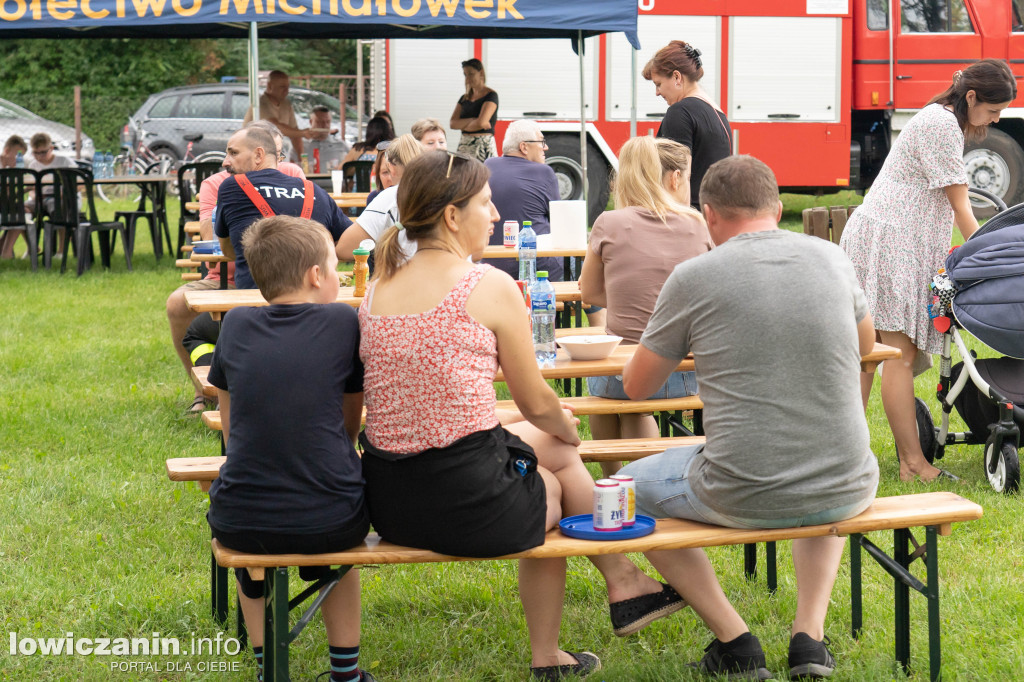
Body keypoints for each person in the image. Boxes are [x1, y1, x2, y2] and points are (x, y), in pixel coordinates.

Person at [357, 150, 684, 680]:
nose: (496, 215)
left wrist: (553, 429)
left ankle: (623, 587)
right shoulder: (486, 285)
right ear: (451, 216)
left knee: (553, 451)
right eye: (485, 203)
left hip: (392, 499)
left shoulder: (378, 286)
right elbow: (534, 401)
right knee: (555, 475)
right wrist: (564, 424)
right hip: (467, 507)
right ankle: (577, 626)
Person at [618, 155, 879, 680]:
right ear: (778, 208)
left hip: (740, 487)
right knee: (815, 460)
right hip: (848, 479)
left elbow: (636, 387)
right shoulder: (832, 258)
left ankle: (735, 641)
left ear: (708, 215)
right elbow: (866, 343)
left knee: (618, 488)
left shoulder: (694, 275)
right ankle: (809, 639)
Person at [206, 215, 375, 682]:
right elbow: (349, 420)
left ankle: (267, 669)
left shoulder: (236, 324)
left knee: (249, 561)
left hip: (242, 518)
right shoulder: (344, 321)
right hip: (334, 519)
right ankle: (346, 673)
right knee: (338, 563)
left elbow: (229, 422)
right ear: (316, 276)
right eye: (334, 271)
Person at [841, 59, 1016, 483]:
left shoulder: (942, 121)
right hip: (891, 241)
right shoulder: (941, 126)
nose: (996, 119)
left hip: (889, 237)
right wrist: (993, 259)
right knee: (896, 358)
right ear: (971, 97)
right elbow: (962, 209)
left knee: (870, 358)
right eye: (993, 110)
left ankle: (843, 458)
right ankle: (912, 464)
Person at [579, 137, 713, 476]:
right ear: (672, 178)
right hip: (685, 369)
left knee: (611, 402)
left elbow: (589, 294)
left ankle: (613, 481)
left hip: (622, 365)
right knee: (632, 403)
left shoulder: (608, 222)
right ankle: (641, 484)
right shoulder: (697, 224)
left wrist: (626, 297)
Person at [180, 125, 352, 370]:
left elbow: (226, 251)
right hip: (316, 310)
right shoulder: (316, 192)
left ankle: (214, 390)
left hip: (256, 307)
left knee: (195, 334)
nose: (225, 162)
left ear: (259, 155)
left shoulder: (231, 187)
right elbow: (350, 244)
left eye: (233, 153)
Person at [165, 121, 306, 414]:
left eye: (278, 156)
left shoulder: (292, 174)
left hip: (283, 276)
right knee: (177, 304)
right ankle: (202, 389)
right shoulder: (217, 183)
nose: (275, 163)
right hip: (225, 277)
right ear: (256, 153)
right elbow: (209, 238)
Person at [643, 40, 731, 209]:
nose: (657, 92)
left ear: (677, 77)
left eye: (658, 84)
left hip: (690, 219)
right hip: (715, 217)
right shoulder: (717, 112)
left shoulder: (680, 112)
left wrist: (679, 224)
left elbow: (677, 179)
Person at [482, 120, 563, 280]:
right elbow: (558, 223)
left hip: (490, 267)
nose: (545, 147)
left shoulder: (488, 165)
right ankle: (601, 306)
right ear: (524, 147)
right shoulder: (544, 172)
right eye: (541, 142)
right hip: (535, 268)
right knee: (583, 267)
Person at [335, 134, 423, 262]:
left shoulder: (390, 197)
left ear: (391, 167)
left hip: (399, 278)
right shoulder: (443, 193)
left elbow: (344, 250)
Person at [242, 70, 311, 159]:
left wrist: (302, 159)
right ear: (269, 86)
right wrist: (303, 133)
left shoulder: (286, 104)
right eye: (282, 87)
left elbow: (295, 135)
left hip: (276, 154)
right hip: (254, 154)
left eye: (287, 87)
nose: (287, 91)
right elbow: (274, 126)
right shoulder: (261, 103)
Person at [450, 58, 498, 161]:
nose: (468, 78)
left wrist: (463, 125)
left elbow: (481, 122)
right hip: (465, 146)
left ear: (480, 73)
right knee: (463, 176)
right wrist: (473, 120)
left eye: (471, 74)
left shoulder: (491, 95)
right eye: (465, 75)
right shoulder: (464, 98)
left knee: (485, 176)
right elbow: (452, 123)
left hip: (483, 146)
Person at [1, 134, 29, 259]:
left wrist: (27, 189)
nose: (19, 160)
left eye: (21, 156)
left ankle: (4, 248)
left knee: (19, 209)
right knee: (20, 210)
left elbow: (7, 196)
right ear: (6, 151)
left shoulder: (8, 169)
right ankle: (6, 252)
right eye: (17, 156)